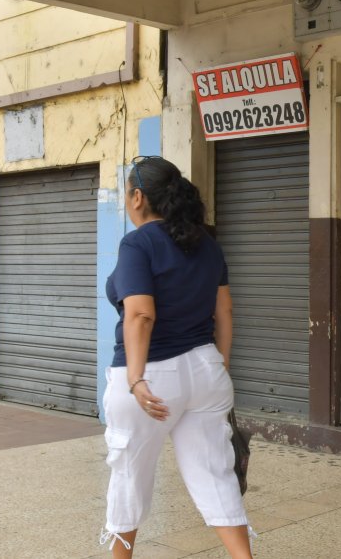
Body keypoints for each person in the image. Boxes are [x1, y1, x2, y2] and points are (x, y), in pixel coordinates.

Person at [100, 156, 252, 559]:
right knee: (215, 474)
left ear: (137, 197)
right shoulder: (206, 243)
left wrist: (135, 378)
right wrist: (220, 364)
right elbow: (225, 311)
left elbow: (140, 313)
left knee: (129, 475)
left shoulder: (137, 243)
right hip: (205, 369)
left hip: (151, 376)